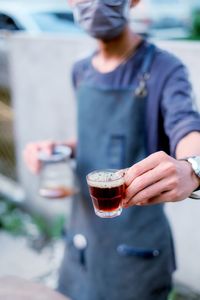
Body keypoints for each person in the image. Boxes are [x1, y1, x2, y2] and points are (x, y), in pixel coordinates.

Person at [23, 0, 200, 299]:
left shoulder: (164, 68)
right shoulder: (80, 71)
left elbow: (187, 126)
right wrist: (60, 149)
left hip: (136, 250)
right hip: (81, 239)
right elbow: (96, 139)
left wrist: (192, 167)